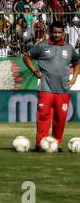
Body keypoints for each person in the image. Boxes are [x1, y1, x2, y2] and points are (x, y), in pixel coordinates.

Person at [22, 19, 80, 152]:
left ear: (63, 33)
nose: (57, 35)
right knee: (43, 118)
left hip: (63, 90)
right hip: (45, 89)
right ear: (50, 32)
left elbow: (77, 62)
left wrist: (74, 77)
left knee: (60, 120)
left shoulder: (69, 48)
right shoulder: (42, 46)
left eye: (59, 32)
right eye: (54, 32)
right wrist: (34, 71)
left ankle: (56, 144)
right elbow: (26, 57)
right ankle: (40, 145)